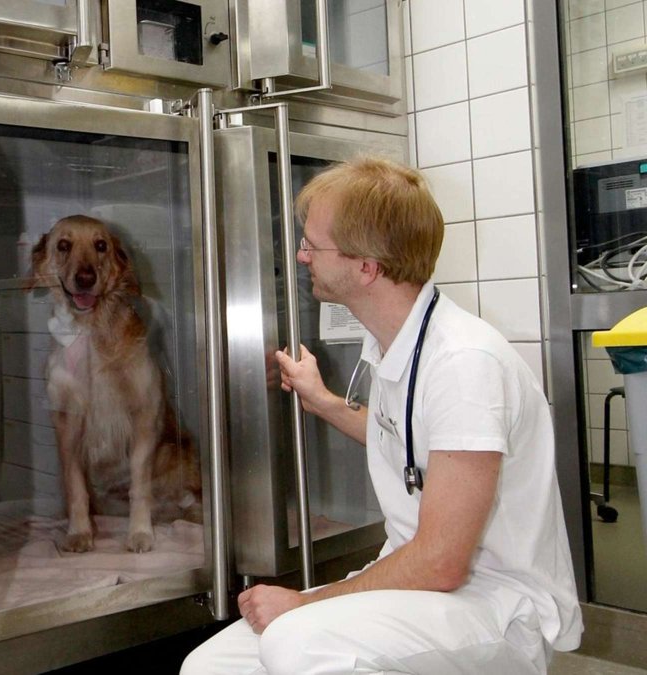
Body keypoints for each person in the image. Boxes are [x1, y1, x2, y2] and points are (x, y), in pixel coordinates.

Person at [181, 156, 582, 674]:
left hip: (494, 604)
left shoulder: (464, 365)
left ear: (366, 267)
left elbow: (441, 562)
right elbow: (406, 441)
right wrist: (322, 400)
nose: (302, 258)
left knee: (296, 643)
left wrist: (303, 604)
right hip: (428, 589)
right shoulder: (399, 343)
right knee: (211, 665)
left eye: (312, 245)